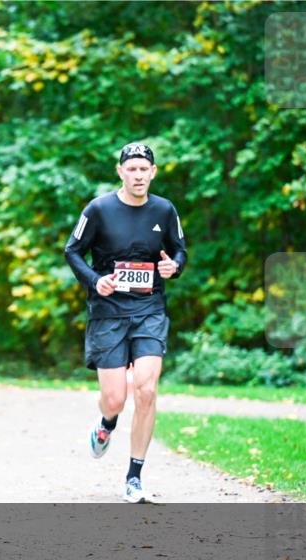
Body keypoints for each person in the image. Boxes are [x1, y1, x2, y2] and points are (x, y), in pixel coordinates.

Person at [64, 142, 187, 503]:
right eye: (130, 169)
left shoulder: (164, 210)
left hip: (149, 309)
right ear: (120, 172)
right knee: (115, 399)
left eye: (143, 169)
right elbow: (72, 250)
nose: (137, 175)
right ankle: (106, 424)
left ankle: (134, 477)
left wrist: (174, 266)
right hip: (108, 313)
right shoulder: (99, 209)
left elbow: (180, 250)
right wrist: (94, 280)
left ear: (153, 172)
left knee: (146, 391)